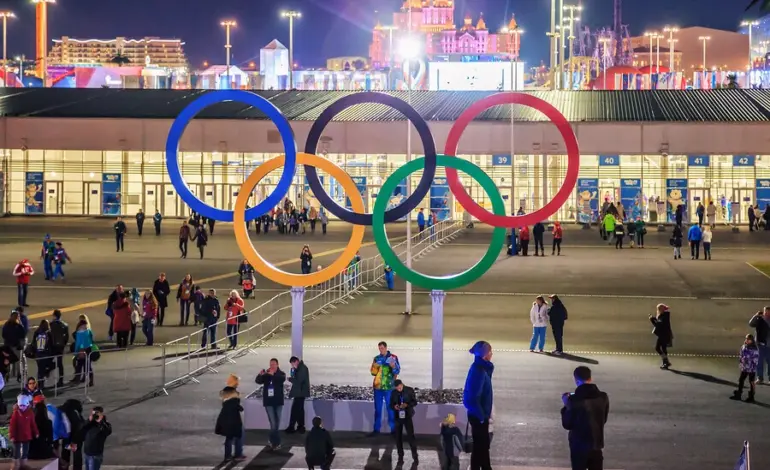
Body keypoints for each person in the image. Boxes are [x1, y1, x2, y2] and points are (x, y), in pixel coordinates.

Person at [561, 366, 610, 470]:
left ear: (576, 380)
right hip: (596, 443)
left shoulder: (573, 400)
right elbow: (603, 420)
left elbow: (567, 424)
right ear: (590, 378)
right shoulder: (603, 397)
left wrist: (566, 405)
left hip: (578, 446)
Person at [463, 340, 494, 470]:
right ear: (484, 354)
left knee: (482, 446)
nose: (492, 353)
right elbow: (472, 397)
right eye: (490, 351)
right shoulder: (479, 371)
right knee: (481, 446)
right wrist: (481, 417)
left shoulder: (482, 368)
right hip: (478, 415)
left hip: (479, 414)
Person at [368, 341, 401, 436]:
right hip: (378, 387)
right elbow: (373, 373)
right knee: (378, 410)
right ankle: (376, 430)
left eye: (382, 348)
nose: (381, 350)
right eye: (379, 348)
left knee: (390, 409)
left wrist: (393, 366)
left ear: (386, 348)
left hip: (389, 387)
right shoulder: (377, 358)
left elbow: (397, 371)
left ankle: (393, 429)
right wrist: (375, 366)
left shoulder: (393, 358)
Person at [255, 358, 286, 450]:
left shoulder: (281, 374)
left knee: (277, 423)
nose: (272, 366)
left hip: (278, 402)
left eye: (273, 364)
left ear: (277, 365)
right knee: (273, 423)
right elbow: (258, 381)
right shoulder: (266, 374)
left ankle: (271, 440)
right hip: (269, 402)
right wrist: (260, 374)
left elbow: (281, 380)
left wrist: (273, 375)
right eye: (270, 364)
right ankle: (276, 443)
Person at [389, 379, 418, 464]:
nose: (398, 389)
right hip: (398, 417)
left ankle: (415, 455)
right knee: (398, 437)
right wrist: (395, 406)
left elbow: (415, 402)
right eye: (397, 388)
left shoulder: (409, 390)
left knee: (411, 436)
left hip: (407, 416)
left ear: (402, 385)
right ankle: (400, 456)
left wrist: (407, 405)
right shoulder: (394, 393)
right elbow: (390, 404)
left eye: (399, 387)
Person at [215, 385, 246, 462]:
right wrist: (238, 398)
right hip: (234, 424)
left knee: (229, 439)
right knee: (239, 438)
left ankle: (227, 456)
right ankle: (238, 455)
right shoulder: (234, 401)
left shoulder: (225, 401)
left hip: (226, 423)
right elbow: (241, 408)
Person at [9, 394, 39, 469]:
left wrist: (36, 432)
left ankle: (23, 465)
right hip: (17, 436)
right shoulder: (15, 413)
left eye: (23, 405)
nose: (22, 407)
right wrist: (12, 435)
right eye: (20, 405)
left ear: (27, 405)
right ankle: (16, 465)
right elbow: (12, 425)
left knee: (25, 451)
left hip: (26, 435)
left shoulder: (30, 413)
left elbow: (33, 424)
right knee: (16, 451)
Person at [730, 334, 759, 403]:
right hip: (745, 367)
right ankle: (739, 393)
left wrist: (752, 366)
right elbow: (741, 355)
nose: (747, 340)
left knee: (751, 381)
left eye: (748, 339)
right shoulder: (744, 347)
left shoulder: (754, 349)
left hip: (751, 368)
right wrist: (741, 363)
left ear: (752, 340)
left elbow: (755, 359)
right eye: (746, 339)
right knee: (741, 379)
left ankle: (751, 396)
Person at [58, 398, 86, 470]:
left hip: (67, 437)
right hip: (75, 438)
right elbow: (81, 424)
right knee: (77, 456)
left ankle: (64, 467)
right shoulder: (76, 413)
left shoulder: (63, 410)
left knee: (65, 454)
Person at [286, 356, 310, 433]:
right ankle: (300, 427)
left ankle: (292, 427)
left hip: (300, 392)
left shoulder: (302, 369)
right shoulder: (300, 368)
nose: (292, 366)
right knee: (299, 410)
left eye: (293, 364)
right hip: (300, 393)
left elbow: (298, 381)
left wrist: (290, 379)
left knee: (295, 410)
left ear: (296, 361)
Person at [29, 395, 55, 460]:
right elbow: (50, 440)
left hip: (31, 451)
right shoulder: (48, 422)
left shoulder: (30, 422)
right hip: (44, 451)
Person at [749, 307, 770, 384]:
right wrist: (756, 315)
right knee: (759, 362)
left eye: (768, 312)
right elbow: (751, 324)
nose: (766, 313)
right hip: (759, 344)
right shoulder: (759, 319)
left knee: (769, 362)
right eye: (765, 311)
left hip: (768, 344)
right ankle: (759, 378)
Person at [650, 304, 674, 370]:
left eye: (658, 309)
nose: (657, 311)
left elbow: (658, 325)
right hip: (665, 335)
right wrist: (654, 319)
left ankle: (666, 361)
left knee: (657, 348)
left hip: (663, 335)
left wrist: (652, 320)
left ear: (661, 309)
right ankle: (666, 363)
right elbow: (659, 322)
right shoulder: (665, 315)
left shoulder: (663, 316)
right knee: (663, 348)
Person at [73, 319, 95, 386]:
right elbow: (91, 341)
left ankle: (77, 380)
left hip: (81, 350)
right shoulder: (89, 331)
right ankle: (91, 381)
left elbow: (78, 343)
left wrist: (76, 351)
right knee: (88, 366)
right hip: (88, 349)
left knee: (79, 366)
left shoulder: (79, 333)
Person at [50, 309, 69, 387]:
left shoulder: (51, 324)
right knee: (60, 363)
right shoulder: (64, 325)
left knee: (49, 361)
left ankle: (43, 379)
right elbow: (66, 337)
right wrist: (63, 344)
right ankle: (61, 380)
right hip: (61, 346)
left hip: (52, 346)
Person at [33, 320, 54, 390]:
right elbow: (51, 344)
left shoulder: (36, 332)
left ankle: (40, 384)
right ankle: (41, 384)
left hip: (38, 354)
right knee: (47, 367)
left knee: (40, 369)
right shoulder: (48, 333)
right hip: (45, 354)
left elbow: (33, 343)